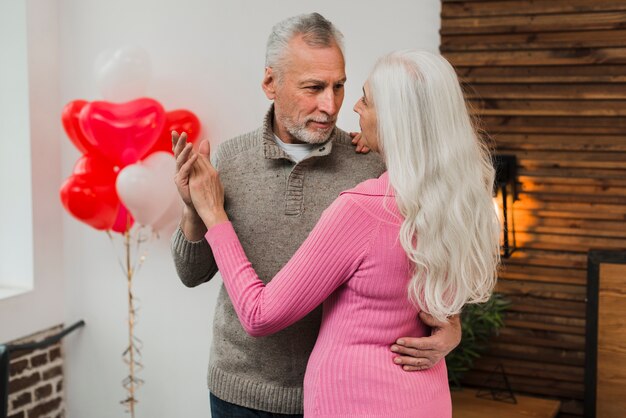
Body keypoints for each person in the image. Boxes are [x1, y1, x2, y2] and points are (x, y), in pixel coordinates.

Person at [171, 13, 462, 417]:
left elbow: (423, 261)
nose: (330, 105)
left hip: (337, 397)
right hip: (240, 393)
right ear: (271, 83)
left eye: (339, 86)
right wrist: (193, 210)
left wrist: (450, 326)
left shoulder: (371, 165)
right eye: (313, 87)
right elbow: (192, 274)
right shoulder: (231, 161)